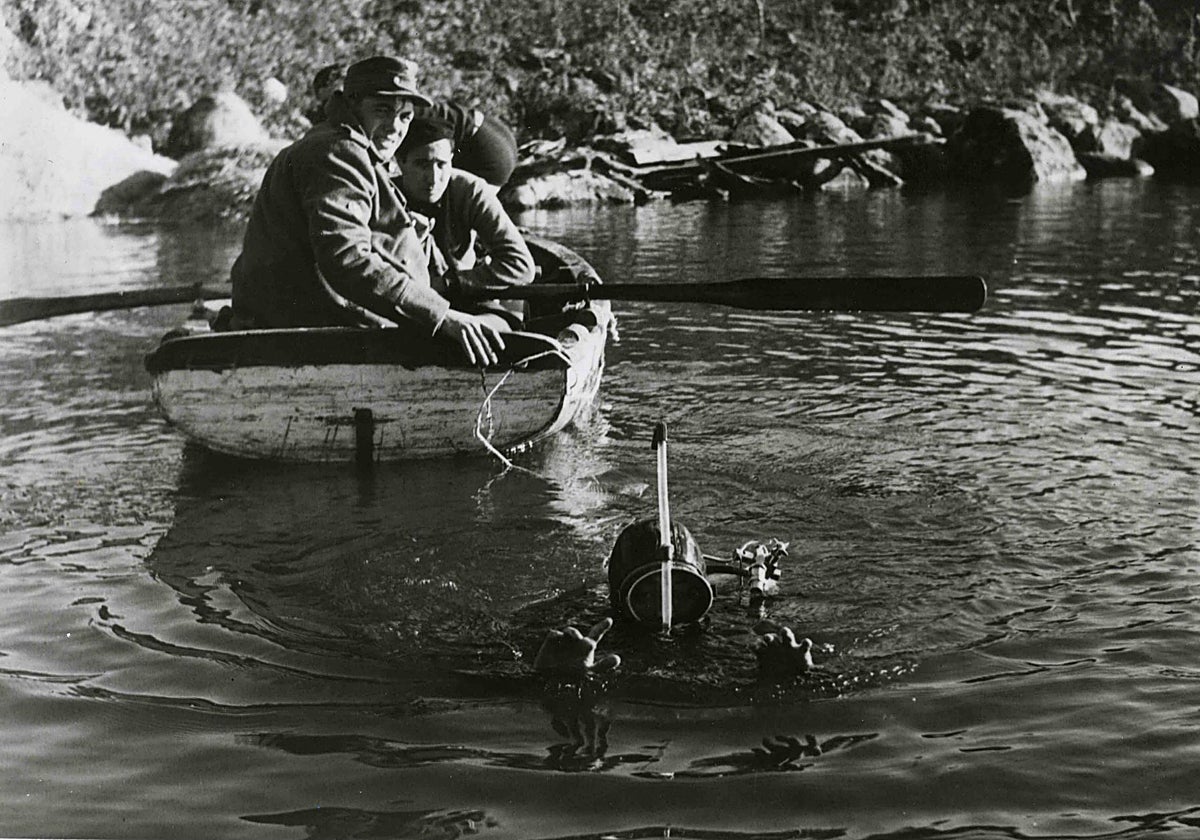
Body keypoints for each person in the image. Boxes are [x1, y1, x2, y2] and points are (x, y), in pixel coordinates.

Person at [229, 55, 507, 366]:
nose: (395, 127)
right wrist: (441, 316)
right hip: (307, 335)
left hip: (310, 316)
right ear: (353, 104)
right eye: (383, 110)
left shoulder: (343, 144)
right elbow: (347, 258)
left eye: (404, 116)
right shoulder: (338, 152)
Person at [394, 114, 535, 331]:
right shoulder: (385, 195)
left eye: (441, 164)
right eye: (422, 164)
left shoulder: (470, 190)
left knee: (504, 327)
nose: (433, 178)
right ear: (400, 162)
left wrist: (451, 283)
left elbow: (521, 265)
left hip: (464, 298)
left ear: (452, 158)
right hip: (407, 302)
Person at [306, 64, 518, 190]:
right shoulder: (384, 101)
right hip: (494, 131)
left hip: (486, 146)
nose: (333, 107)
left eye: (334, 98)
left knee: (447, 199)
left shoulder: (383, 107)